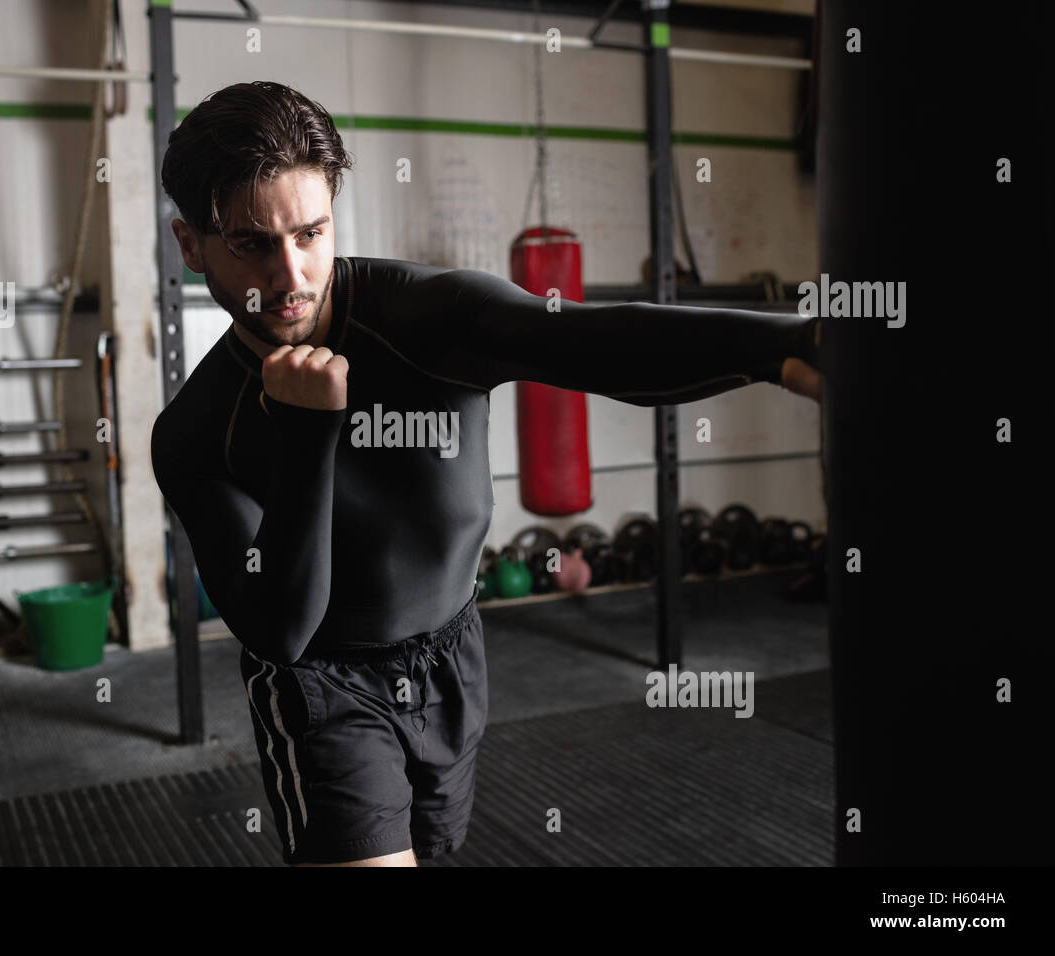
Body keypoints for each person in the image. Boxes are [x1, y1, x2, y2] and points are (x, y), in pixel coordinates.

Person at [150, 81, 822, 867]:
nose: (293, 273)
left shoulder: (426, 316)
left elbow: (595, 341)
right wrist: (309, 430)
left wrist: (788, 346)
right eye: (253, 244)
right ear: (192, 245)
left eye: (311, 232)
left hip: (452, 659)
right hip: (322, 690)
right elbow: (281, 630)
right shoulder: (198, 431)